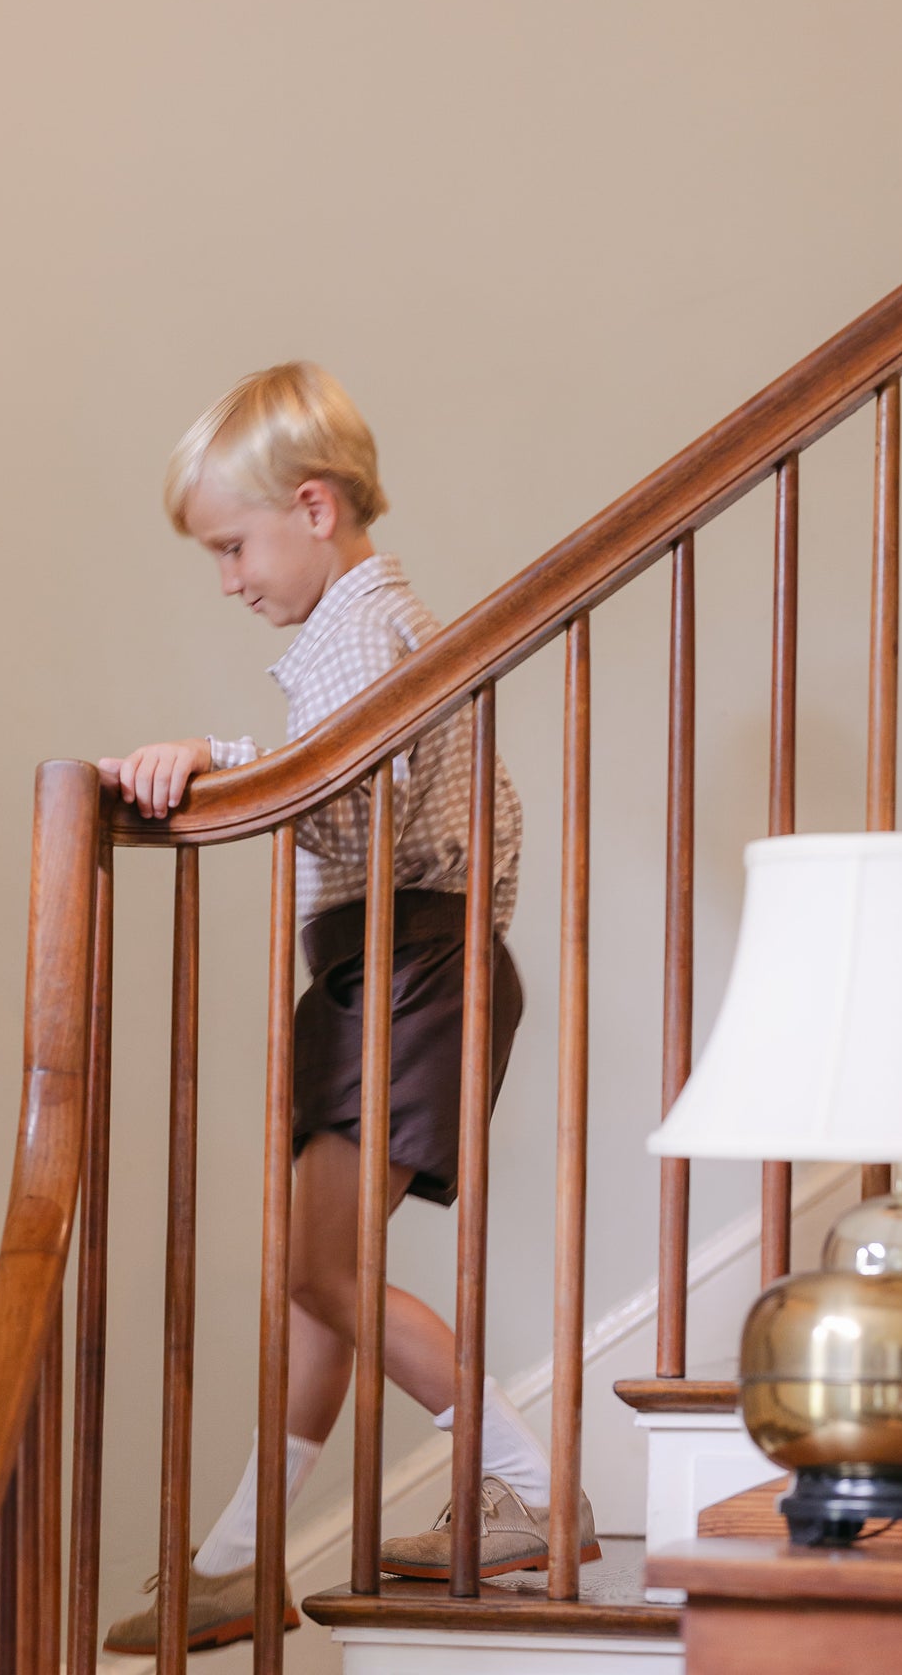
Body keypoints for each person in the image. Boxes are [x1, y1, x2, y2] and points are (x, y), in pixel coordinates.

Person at [98, 362, 598, 1656]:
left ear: (313, 508)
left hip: (413, 960)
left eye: (232, 546)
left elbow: (344, 801)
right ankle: (240, 1557)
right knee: (314, 1276)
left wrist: (212, 759)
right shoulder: (350, 632)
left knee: (323, 1268)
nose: (229, 579)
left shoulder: (365, 629)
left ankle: (533, 1493)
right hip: (383, 966)